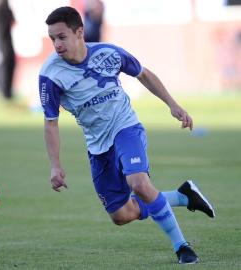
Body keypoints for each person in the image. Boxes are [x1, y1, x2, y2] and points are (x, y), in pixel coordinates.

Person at [39, 6, 215, 264]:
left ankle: (182, 247)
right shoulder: (50, 75)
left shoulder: (108, 53)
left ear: (79, 33)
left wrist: (173, 105)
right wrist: (55, 166)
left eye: (62, 37)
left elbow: (143, 74)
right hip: (98, 145)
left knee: (140, 184)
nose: (56, 44)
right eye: (52, 38)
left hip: (126, 128)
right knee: (121, 215)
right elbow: (51, 122)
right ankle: (182, 196)